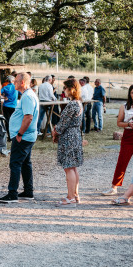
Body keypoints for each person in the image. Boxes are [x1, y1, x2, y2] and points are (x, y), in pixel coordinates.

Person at [0, 73, 39, 203]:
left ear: (22, 83)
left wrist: (20, 134)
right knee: (26, 163)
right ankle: (28, 191)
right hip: (26, 135)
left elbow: (28, 117)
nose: (13, 83)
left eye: (15, 81)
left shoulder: (27, 97)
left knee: (15, 163)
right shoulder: (27, 95)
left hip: (24, 136)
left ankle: (12, 193)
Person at [101, 85, 133, 196]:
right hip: (128, 135)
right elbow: (119, 122)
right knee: (122, 161)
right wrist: (128, 124)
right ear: (129, 94)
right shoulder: (124, 106)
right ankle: (114, 187)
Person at [52, 79, 83, 207]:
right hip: (75, 135)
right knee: (73, 167)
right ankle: (75, 194)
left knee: (68, 167)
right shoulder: (78, 103)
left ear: (72, 89)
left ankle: (70, 197)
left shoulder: (72, 105)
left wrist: (55, 132)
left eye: (65, 88)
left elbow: (63, 124)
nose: (63, 90)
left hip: (69, 136)